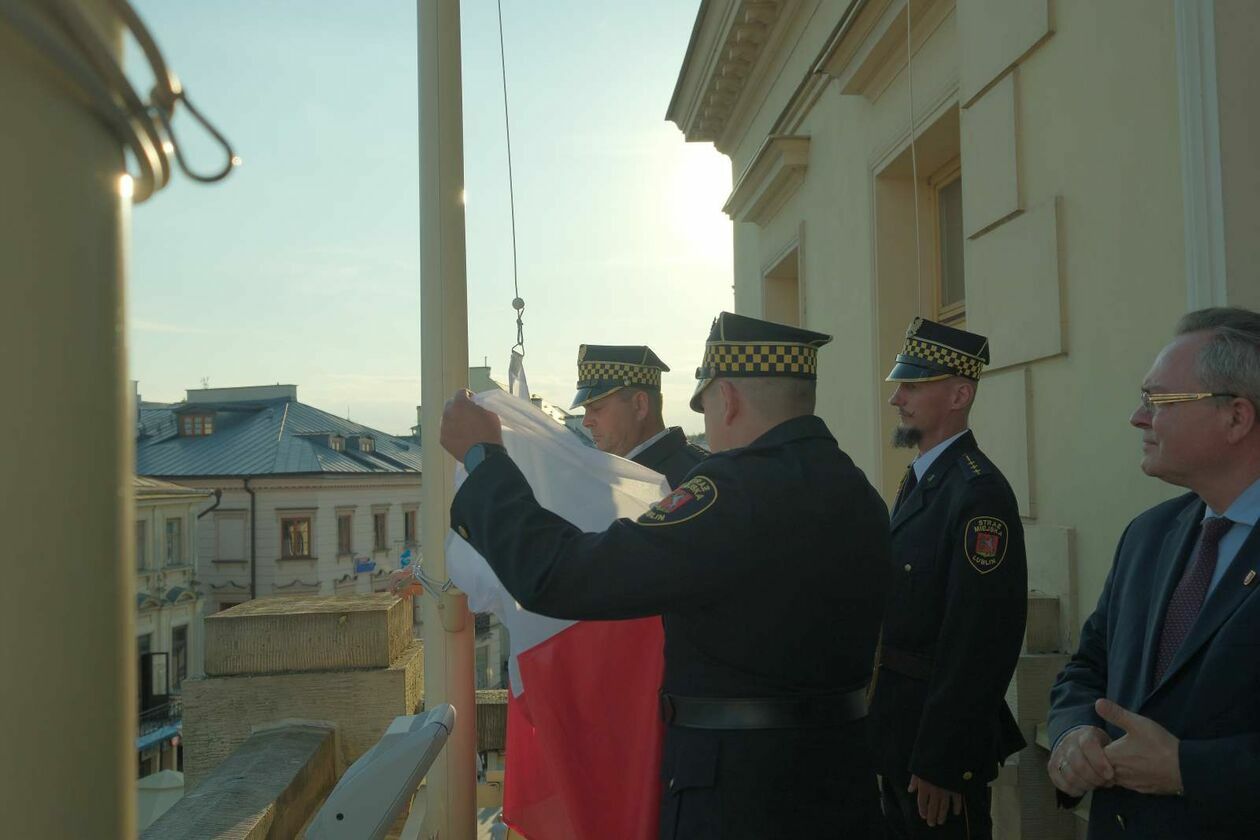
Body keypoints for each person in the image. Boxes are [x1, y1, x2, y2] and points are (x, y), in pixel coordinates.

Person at [440, 312, 891, 839]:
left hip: (738, 797)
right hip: (845, 780)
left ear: (728, 399)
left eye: (706, 405)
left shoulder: (728, 495)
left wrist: (486, 460)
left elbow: (561, 576)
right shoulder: (860, 493)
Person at [1047, 307, 1260, 839]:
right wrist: (1074, 733)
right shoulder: (1149, 535)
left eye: (1158, 401)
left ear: (1236, 418)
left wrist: (1189, 770)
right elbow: (1087, 667)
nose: (1138, 418)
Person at [867, 317, 1027, 838]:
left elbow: (980, 638)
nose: (898, 399)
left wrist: (943, 759)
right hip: (899, 732)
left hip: (934, 753)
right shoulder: (923, 481)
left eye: (912, 385)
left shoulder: (977, 493)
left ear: (959, 394)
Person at [571, 344, 707, 486]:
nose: (586, 422)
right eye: (586, 410)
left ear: (640, 405)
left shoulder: (698, 479)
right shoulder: (605, 476)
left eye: (597, 408)